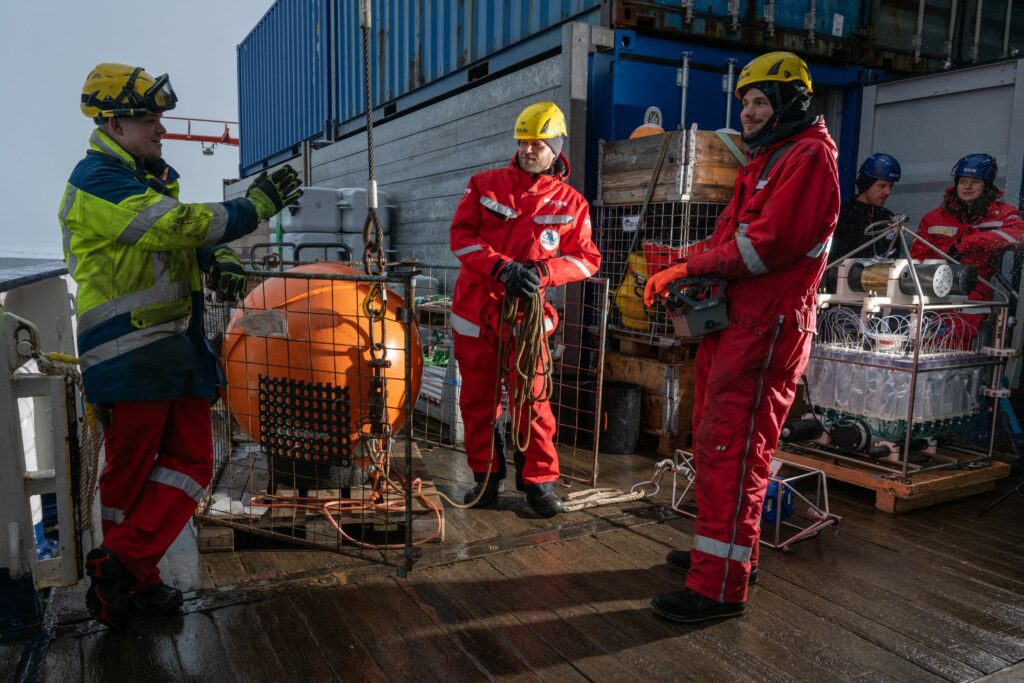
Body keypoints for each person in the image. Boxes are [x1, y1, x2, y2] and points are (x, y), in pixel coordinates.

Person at [61, 63, 302, 627]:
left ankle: (120, 567)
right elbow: (172, 227)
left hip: (172, 350)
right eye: (148, 118)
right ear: (113, 125)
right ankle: (128, 584)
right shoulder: (97, 181)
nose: (160, 128)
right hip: (127, 354)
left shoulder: (147, 180)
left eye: (160, 117)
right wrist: (252, 208)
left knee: (193, 462)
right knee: (128, 480)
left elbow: (178, 242)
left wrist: (217, 260)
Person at [643, 52, 840, 622]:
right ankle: (728, 556)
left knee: (733, 451)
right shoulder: (771, 158)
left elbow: (766, 247)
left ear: (788, 104)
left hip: (764, 332)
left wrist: (688, 270)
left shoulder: (806, 158)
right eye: (745, 102)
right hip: (738, 329)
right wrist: (683, 259)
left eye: (759, 102)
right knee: (717, 444)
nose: (749, 112)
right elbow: (735, 236)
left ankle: (719, 589)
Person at [448, 102, 601, 517]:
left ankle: (539, 483)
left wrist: (544, 272)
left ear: (556, 147)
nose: (528, 149)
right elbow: (460, 237)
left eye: (537, 143)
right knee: (477, 403)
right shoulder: (484, 185)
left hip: (527, 318)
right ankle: (485, 479)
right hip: (477, 312)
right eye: (523, 142)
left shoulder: (573, 203)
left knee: (533, 401)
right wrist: (501, 267)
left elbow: (588, 258)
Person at [912, 153, 1024, 340]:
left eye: (975, 181)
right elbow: (917, 260)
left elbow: (1020, 234)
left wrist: (969, 243)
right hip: (933, 297)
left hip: (974, 296)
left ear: (986, 185)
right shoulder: (934, 218)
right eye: (963, 181)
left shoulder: (1000, 214)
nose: (967, 186)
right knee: (925, 351)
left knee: (959, 355)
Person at [832, 153, 902, 260]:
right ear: (866, 184)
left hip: (879, 276)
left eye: (890, 186)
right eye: (882, 185)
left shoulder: (889, 218)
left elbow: (893, 256)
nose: (887, 192)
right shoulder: (841, 215)